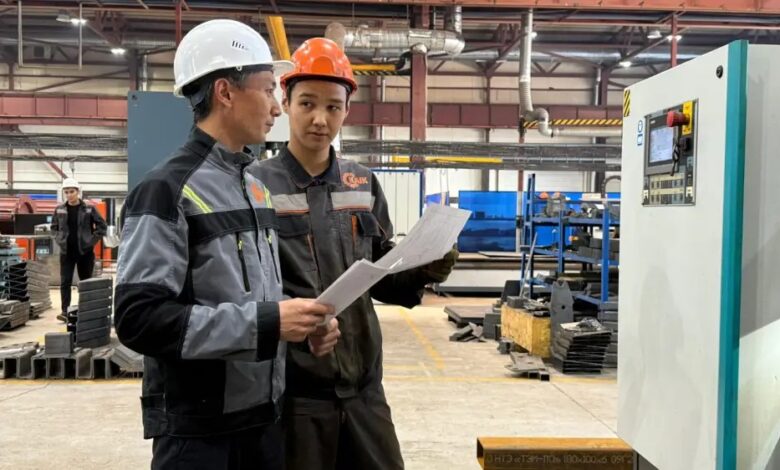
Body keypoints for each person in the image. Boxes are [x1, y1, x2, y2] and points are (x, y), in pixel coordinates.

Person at [114, 20, 337, 470]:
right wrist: (268, 322)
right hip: (199, 437)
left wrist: (299, 326)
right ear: (225, 92)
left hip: (264, 422)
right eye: (268, 89)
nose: (276, 107)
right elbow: (139, 320)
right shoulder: (166, 189)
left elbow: (254, 300)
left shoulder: (256, 189)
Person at [250, 38, 459, 470]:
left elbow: (381, 276)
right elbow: (247, 286)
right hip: (295, 398)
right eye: (307, 103)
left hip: (364, 391)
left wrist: (426, 267)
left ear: (347, 110)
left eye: (333, 107)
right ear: (285, 103)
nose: (320, 119)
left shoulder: (361, 183)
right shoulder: (256, 185)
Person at [51, 177, 107, 322]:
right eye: (66, 192)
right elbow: (54, 228)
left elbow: (102, 227)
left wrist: (91, 241)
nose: (69, 195)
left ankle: (85, 309)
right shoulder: (59, 209)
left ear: (78, 192)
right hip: (67, 253)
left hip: (85, 253)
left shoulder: (89, 209)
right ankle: (65, 312)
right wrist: (60, 240)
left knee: (86, 282)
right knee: (65, 282)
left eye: (72, 191)